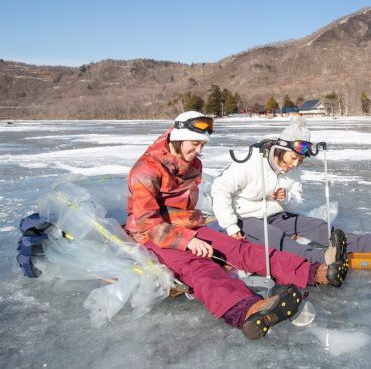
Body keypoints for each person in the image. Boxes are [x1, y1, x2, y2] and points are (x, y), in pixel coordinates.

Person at [125, 111, 348, 340]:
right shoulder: (146, 170)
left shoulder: (192, 163)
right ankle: (247, 311)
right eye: (195, 144)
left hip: (187, 225)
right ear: (179, 137)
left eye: (202, 145)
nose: (199, 151)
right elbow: (146, 221)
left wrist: (191, 233)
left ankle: (314, 272)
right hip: (153, 233)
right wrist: (187, 240)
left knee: (240, 249)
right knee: (199, 267)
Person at [211, 114, 371, 264]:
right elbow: (219, 189)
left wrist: (285, 198)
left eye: (300, 161)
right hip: (244, 219)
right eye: (293, 158)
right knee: (275, 237)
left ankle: (370, 242)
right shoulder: (252, 162)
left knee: (314, 225)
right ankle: (321, 259)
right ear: (280, 149)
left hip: (274, 215)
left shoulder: (293, 170)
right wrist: (230, 225)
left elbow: (297, 200)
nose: (295, 164)